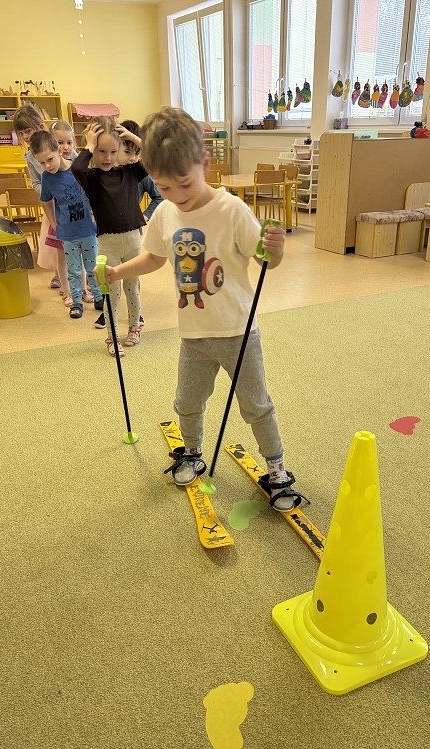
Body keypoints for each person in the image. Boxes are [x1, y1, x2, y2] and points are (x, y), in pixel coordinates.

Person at [98, 107, 308, 512]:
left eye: (184, 184)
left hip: (238, 333)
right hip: (193, 335)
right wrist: (118, 271)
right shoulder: (163, 213)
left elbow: (264, 259)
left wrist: (275, 252)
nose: (176, 196)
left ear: (204, 163)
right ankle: (192, 452)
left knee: (255, 404)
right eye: (162, 187)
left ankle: (277, 468)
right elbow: (154, 258)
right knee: (187, 401)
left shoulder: (231, 211)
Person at [71, 117, 147, 355]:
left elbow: (154, 157)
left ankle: (135, 326)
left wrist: (133, 138)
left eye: (113, 151)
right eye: (101, 151)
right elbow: (76, 168)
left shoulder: (130, 172)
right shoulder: (91, 178)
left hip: (133, 239)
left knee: (132, 288)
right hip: (108, 243)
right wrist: (89, 146)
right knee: (111, 292)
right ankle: (112, 336)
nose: (106, 157)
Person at [31, 130, 103, 319]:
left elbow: (94, 192)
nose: (47, 166)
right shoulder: (47, 178)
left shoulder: (78, 169)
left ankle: (98, 297)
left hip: (88, 229)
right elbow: (46, 201)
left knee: (92, 266)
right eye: (41, 163)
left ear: (59, 150)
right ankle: (76, 301)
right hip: (67, 233)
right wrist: (54, 223)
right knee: (73, 269)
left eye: (49, 159)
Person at [12, 107, 71, 303]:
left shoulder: (56, 146)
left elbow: (73, 165)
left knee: (73, 241)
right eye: (20, 133)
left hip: (69, 201)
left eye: (27, 131)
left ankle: (78, 277)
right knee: (56, 242)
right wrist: (47, 191)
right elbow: (36, 182)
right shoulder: (29, 158)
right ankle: (59, 274)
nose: (24, 136)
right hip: (51, 204)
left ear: (39, 127)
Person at [116, 118, 165, 330]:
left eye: (137, 153)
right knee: (110, 276)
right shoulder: (106, 171)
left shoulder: (140, 173)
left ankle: (135, 315)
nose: (134, 158)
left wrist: (144, 216)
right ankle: (109, 313)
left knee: (131, 278)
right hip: (107, 234)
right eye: (128, 152)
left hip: (132, 233)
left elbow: (159, 197)